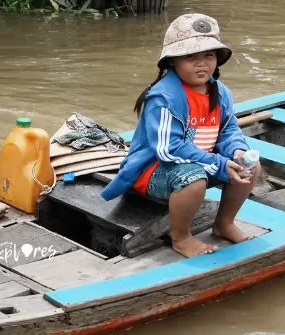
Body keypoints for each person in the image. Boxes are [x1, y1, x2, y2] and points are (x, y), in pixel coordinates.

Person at [100, 13, 259, 258]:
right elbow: (167, 149)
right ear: (173, 61)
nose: (202, 63)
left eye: (209, 55)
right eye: (190, 56)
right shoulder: (163, 97)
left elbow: (228, 130)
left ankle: (224, 223)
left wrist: (236, 152)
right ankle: (181, 237)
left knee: (250, 167)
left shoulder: (220, 92)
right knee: (193, 179)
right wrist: (218, 163)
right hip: (153, 171)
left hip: (200, 162)